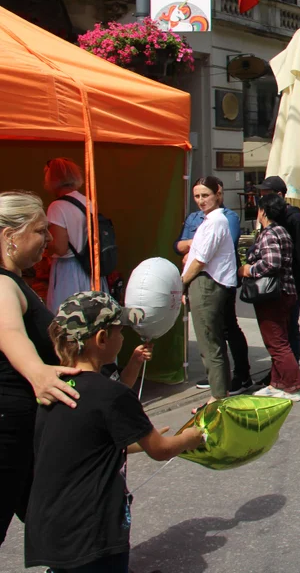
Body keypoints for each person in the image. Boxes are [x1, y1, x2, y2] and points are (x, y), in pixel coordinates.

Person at [24, 291, 204, 572]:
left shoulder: (53, 389)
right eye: (120, 331)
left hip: (52, 526)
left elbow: (88, 445)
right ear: (102, 339)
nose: (123, 338)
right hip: (93, 529)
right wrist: (191, 437)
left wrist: (136, 437)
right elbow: (160, 450)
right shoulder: (111, 394)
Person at [0, 192, 83, 546]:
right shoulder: (2, 284)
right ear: (10, 236)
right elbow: (8, 331)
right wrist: (37, 372)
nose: (48, 239)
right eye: (39, 231)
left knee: (58, 520)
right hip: (9, 430)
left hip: (25, 428)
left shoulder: (16, 281)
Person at [175, 180, 251, 394]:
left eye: (205, 195)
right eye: (197, 196)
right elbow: (180, 246)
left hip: (208, 284)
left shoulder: (218, 221)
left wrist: (181, 284)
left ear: (218, 194)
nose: (201, 200)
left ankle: (218, 397)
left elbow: (200, 259)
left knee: (210, 344)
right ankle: (220, 392)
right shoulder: (209, 220)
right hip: (205, 283)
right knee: (211, 343)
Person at [255, 176, 300, 370]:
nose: (261, 198)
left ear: (279, 195)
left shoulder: (294, 219)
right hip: (272, 285)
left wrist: (299, 285)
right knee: (277, 331)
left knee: (289, 327)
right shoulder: (270, 219)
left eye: (265, 194)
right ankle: (279, 371)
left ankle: (290, 371)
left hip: (290, 284)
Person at [43, 158, 105, 313]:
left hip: (68, 271)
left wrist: (43, 243)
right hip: (88, 268)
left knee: (67, 317)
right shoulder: (88, 202)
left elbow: (61, 248)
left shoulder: (57, 207)